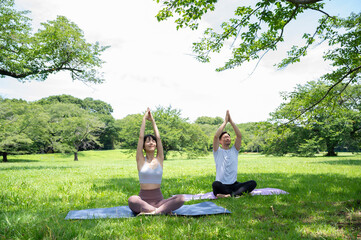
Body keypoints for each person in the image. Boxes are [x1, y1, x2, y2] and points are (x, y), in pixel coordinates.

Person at [128, 108, 185, 215]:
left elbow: (158, 138)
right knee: (132, 200)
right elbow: (140, 137)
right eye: (148, 141)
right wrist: (144, 119)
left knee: (181, 198)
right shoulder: (140, 160)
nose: (151, 143)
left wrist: (153, 121)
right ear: (143, 146)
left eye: (153, 141)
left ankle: (154, 211)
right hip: (143, 201)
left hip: (159, 201)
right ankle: (161, 211)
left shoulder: (160, 159)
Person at [212, 110, 257, 197]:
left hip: (234, 185)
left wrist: (231, 121)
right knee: (215, 184)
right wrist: (225, 122)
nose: (228, 138)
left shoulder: (234, 150)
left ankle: (229, 195)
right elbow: (215, 136)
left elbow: (239, 136)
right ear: (220, 141)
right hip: (223, 185)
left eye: (228, 137)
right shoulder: (217, 151)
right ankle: (236, 194)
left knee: (252, 183)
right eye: (225, 137)